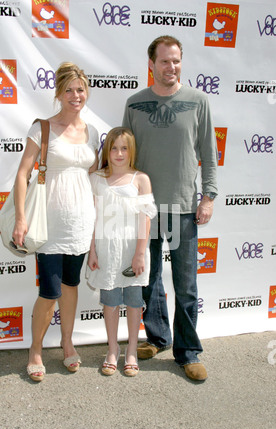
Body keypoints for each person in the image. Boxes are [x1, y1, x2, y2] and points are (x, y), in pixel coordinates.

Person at [122, 36, 218, 381]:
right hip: (146, 209)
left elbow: (209, 151)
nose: (171, 67)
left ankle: (188, 351)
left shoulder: (197, 101)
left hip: (181, 210)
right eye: (164, 61)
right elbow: (126, 157)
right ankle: (158, 337)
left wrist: (208, 196)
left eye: (176, 60)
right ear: (152, 64)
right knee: (147, 280)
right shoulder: (135, 104)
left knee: (186, 284)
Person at [12, 62, 99, 381]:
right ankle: (35, 349)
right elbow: (22, 174)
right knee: (49, 291)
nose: (76, 95)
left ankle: (66, 342)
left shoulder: (92, 132)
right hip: (48, 224)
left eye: (81, 89)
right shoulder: (42, 128)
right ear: (59, 94)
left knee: (71, 285)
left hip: (80, 223)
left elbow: (92, 179)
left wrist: (96, 230)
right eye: (69, 90)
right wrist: (21, 217)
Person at [87, 127, 157, 376]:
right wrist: (92, 250)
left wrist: (139, 252)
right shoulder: (96, 178)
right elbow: (92, 218)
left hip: (132, 250)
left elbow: (145, 217)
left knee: (134, 301)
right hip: (106, 250)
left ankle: (132, 351)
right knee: (110, 301)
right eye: (114, 148)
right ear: (107, 150)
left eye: (124, 148)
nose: (118, 153)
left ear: (131, 151)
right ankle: (113, 349)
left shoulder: (140, 179)